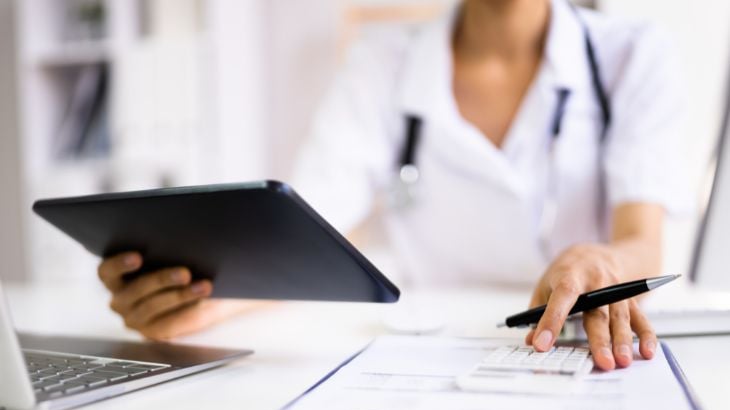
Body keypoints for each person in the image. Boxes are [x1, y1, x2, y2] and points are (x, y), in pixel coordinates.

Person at [97, 0, 688, 371]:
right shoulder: (382, 60)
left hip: (583, 351)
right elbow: (308, 229)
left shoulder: (632, 54)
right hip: (434, 355)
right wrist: (200, 298)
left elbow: (642, 241)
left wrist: (598, 259)